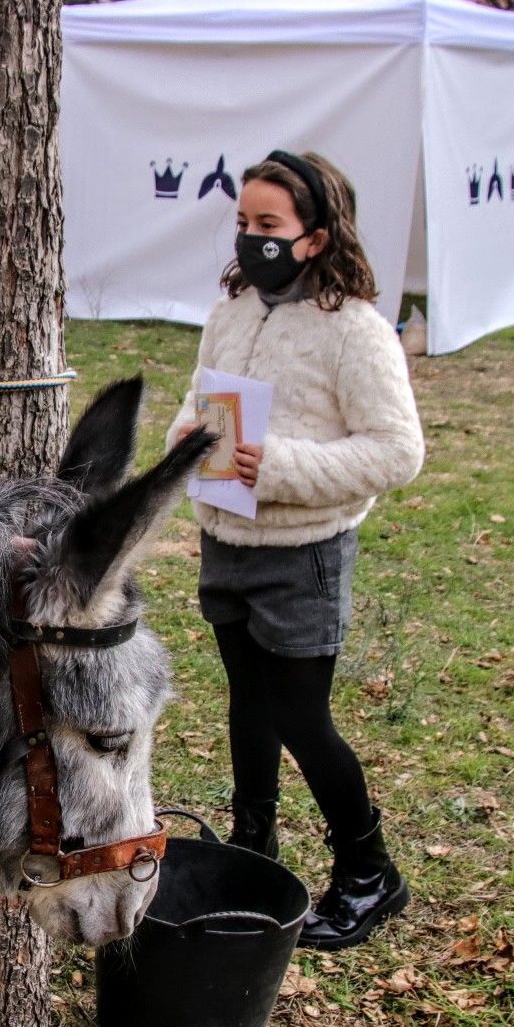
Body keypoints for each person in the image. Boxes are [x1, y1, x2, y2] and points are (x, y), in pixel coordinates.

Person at [168, 150, 423, 950]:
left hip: (304, 550)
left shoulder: (357, 331)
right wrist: (186, 438)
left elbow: (396, 451)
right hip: (226, 538)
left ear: (315, 236)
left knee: (302, 720)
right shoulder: (232, 311)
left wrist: (278, 467)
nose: (250, 239)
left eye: (268, 226)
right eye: (243, 223)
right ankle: (254, 847)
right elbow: (200, 397)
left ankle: (369, 872)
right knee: (248, 705)